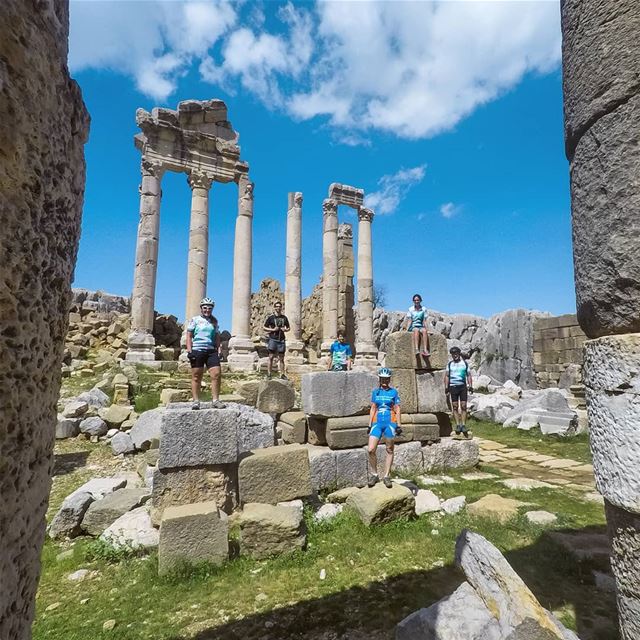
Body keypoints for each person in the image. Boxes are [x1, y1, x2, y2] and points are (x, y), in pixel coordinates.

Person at [186, 297, 226, 410]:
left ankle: (215, 400)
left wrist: (219, 350)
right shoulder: (195, 320)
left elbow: (217, 337)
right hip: (198, 350)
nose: (207, 310)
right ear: (201, 308)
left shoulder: (214, 321)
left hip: (211, 350)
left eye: (209, 308)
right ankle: (196, 401)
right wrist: (189, 350)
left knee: (216, 374)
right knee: (196, 376)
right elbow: (189, 336)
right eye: (205, 308)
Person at [367, 367, 402, 488]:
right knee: (371, 449)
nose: (384, 381)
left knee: (389, 449)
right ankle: (374, 474)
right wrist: (369, 424)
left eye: (387, 379)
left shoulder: (393, 392)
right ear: (379, 379)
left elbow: (397, 409)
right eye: (382, 379)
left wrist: (398, 425)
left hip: (390, 423)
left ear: (389, 379)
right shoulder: (375, 392)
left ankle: (386, 475)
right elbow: (373, 408)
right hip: (377, 422)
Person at [444, 346, 473, 437]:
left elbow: (468, 375)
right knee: (455, 406)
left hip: (462, 386)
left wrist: (470, 386)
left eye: (456, 354)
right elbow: (447, 376)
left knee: (464, 406)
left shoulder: (464, 363)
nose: (455, 355)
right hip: (453, 386)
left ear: (459, 354)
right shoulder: (449, 364)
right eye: (453, 354)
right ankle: (457, 425)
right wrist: (446, 387)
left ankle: (463, 425)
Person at [263, 301, 290, 379]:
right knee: (271, 356)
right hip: (273, 339)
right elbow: (264, 327)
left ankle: (282, 374)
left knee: (282, 358)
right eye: (277, 306)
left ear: (281, 308)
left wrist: (285, 330)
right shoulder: (271, 318)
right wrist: (272, 330)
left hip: (281, 339)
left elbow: (288, 328)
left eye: (279, 306)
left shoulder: (284, 318)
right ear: (274, 308)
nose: (278, 308)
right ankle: (269, 373)